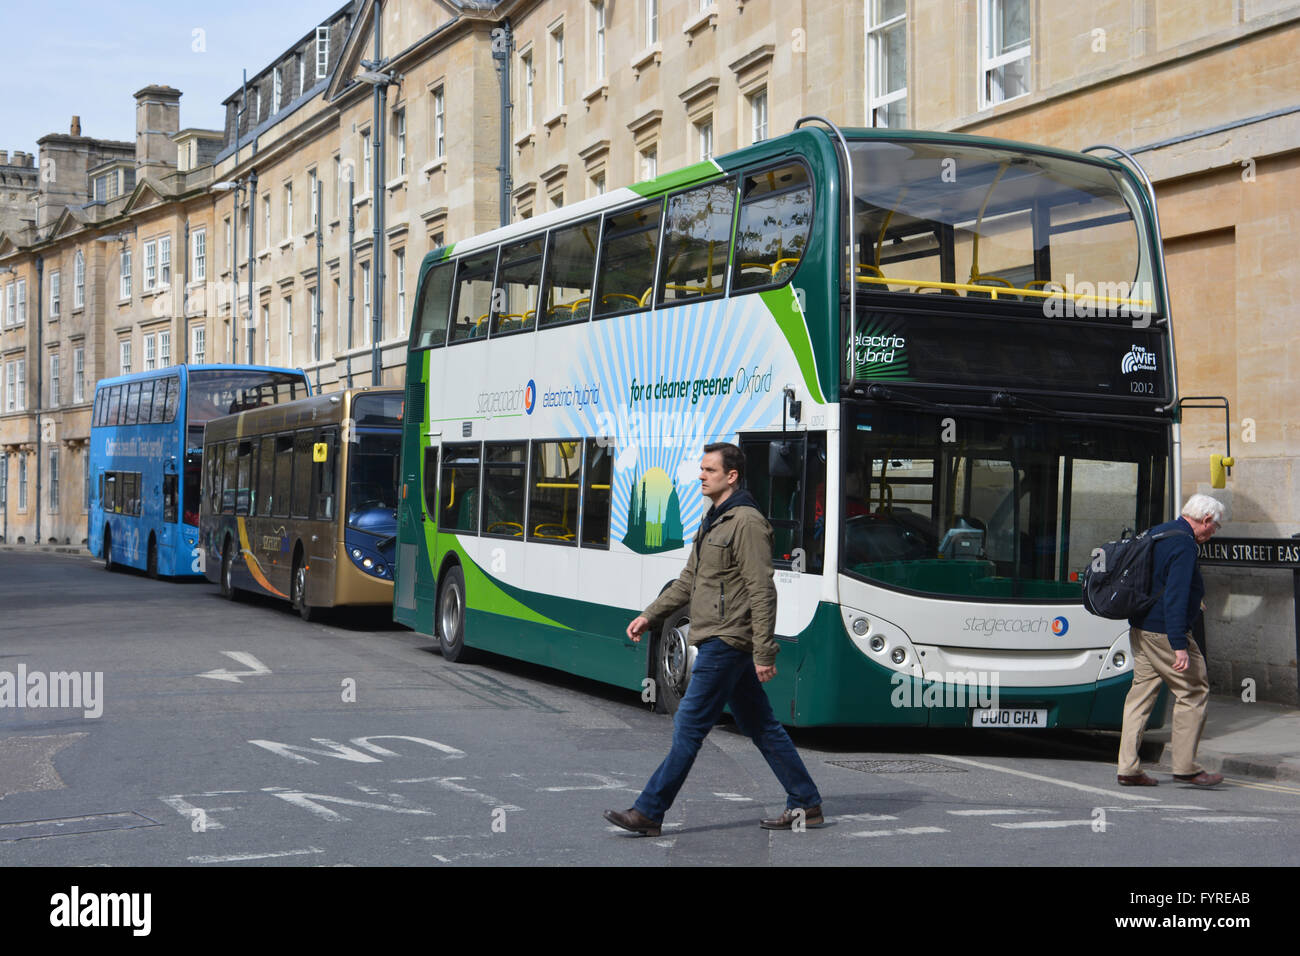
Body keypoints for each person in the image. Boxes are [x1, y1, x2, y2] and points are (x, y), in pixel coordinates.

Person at [604, 443, 823, 837]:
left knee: (688, 724)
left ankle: (650, 811)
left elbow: (762, 590)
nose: (701, 476)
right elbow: (689, 581)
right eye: (701, 469)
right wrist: (649, 615)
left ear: (731, 476)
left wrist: (764, 651)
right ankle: (806, 802)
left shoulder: (747, 523)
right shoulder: (713, 519)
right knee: (761, 725)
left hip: (728, 640)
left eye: (709, 470)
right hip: (717, 638)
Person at [1117, 493, 1225, 788]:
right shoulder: (1184, 544)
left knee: (1139, 696)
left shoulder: (1159, 532)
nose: (1213, 533)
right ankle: (1186, 767)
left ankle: (1127, 767)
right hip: (1165, 631)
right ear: (1205, 520)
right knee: (1193, 691)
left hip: (1140, 627)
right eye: (1214, 527)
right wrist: (1179, 643)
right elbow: (1175, 595)